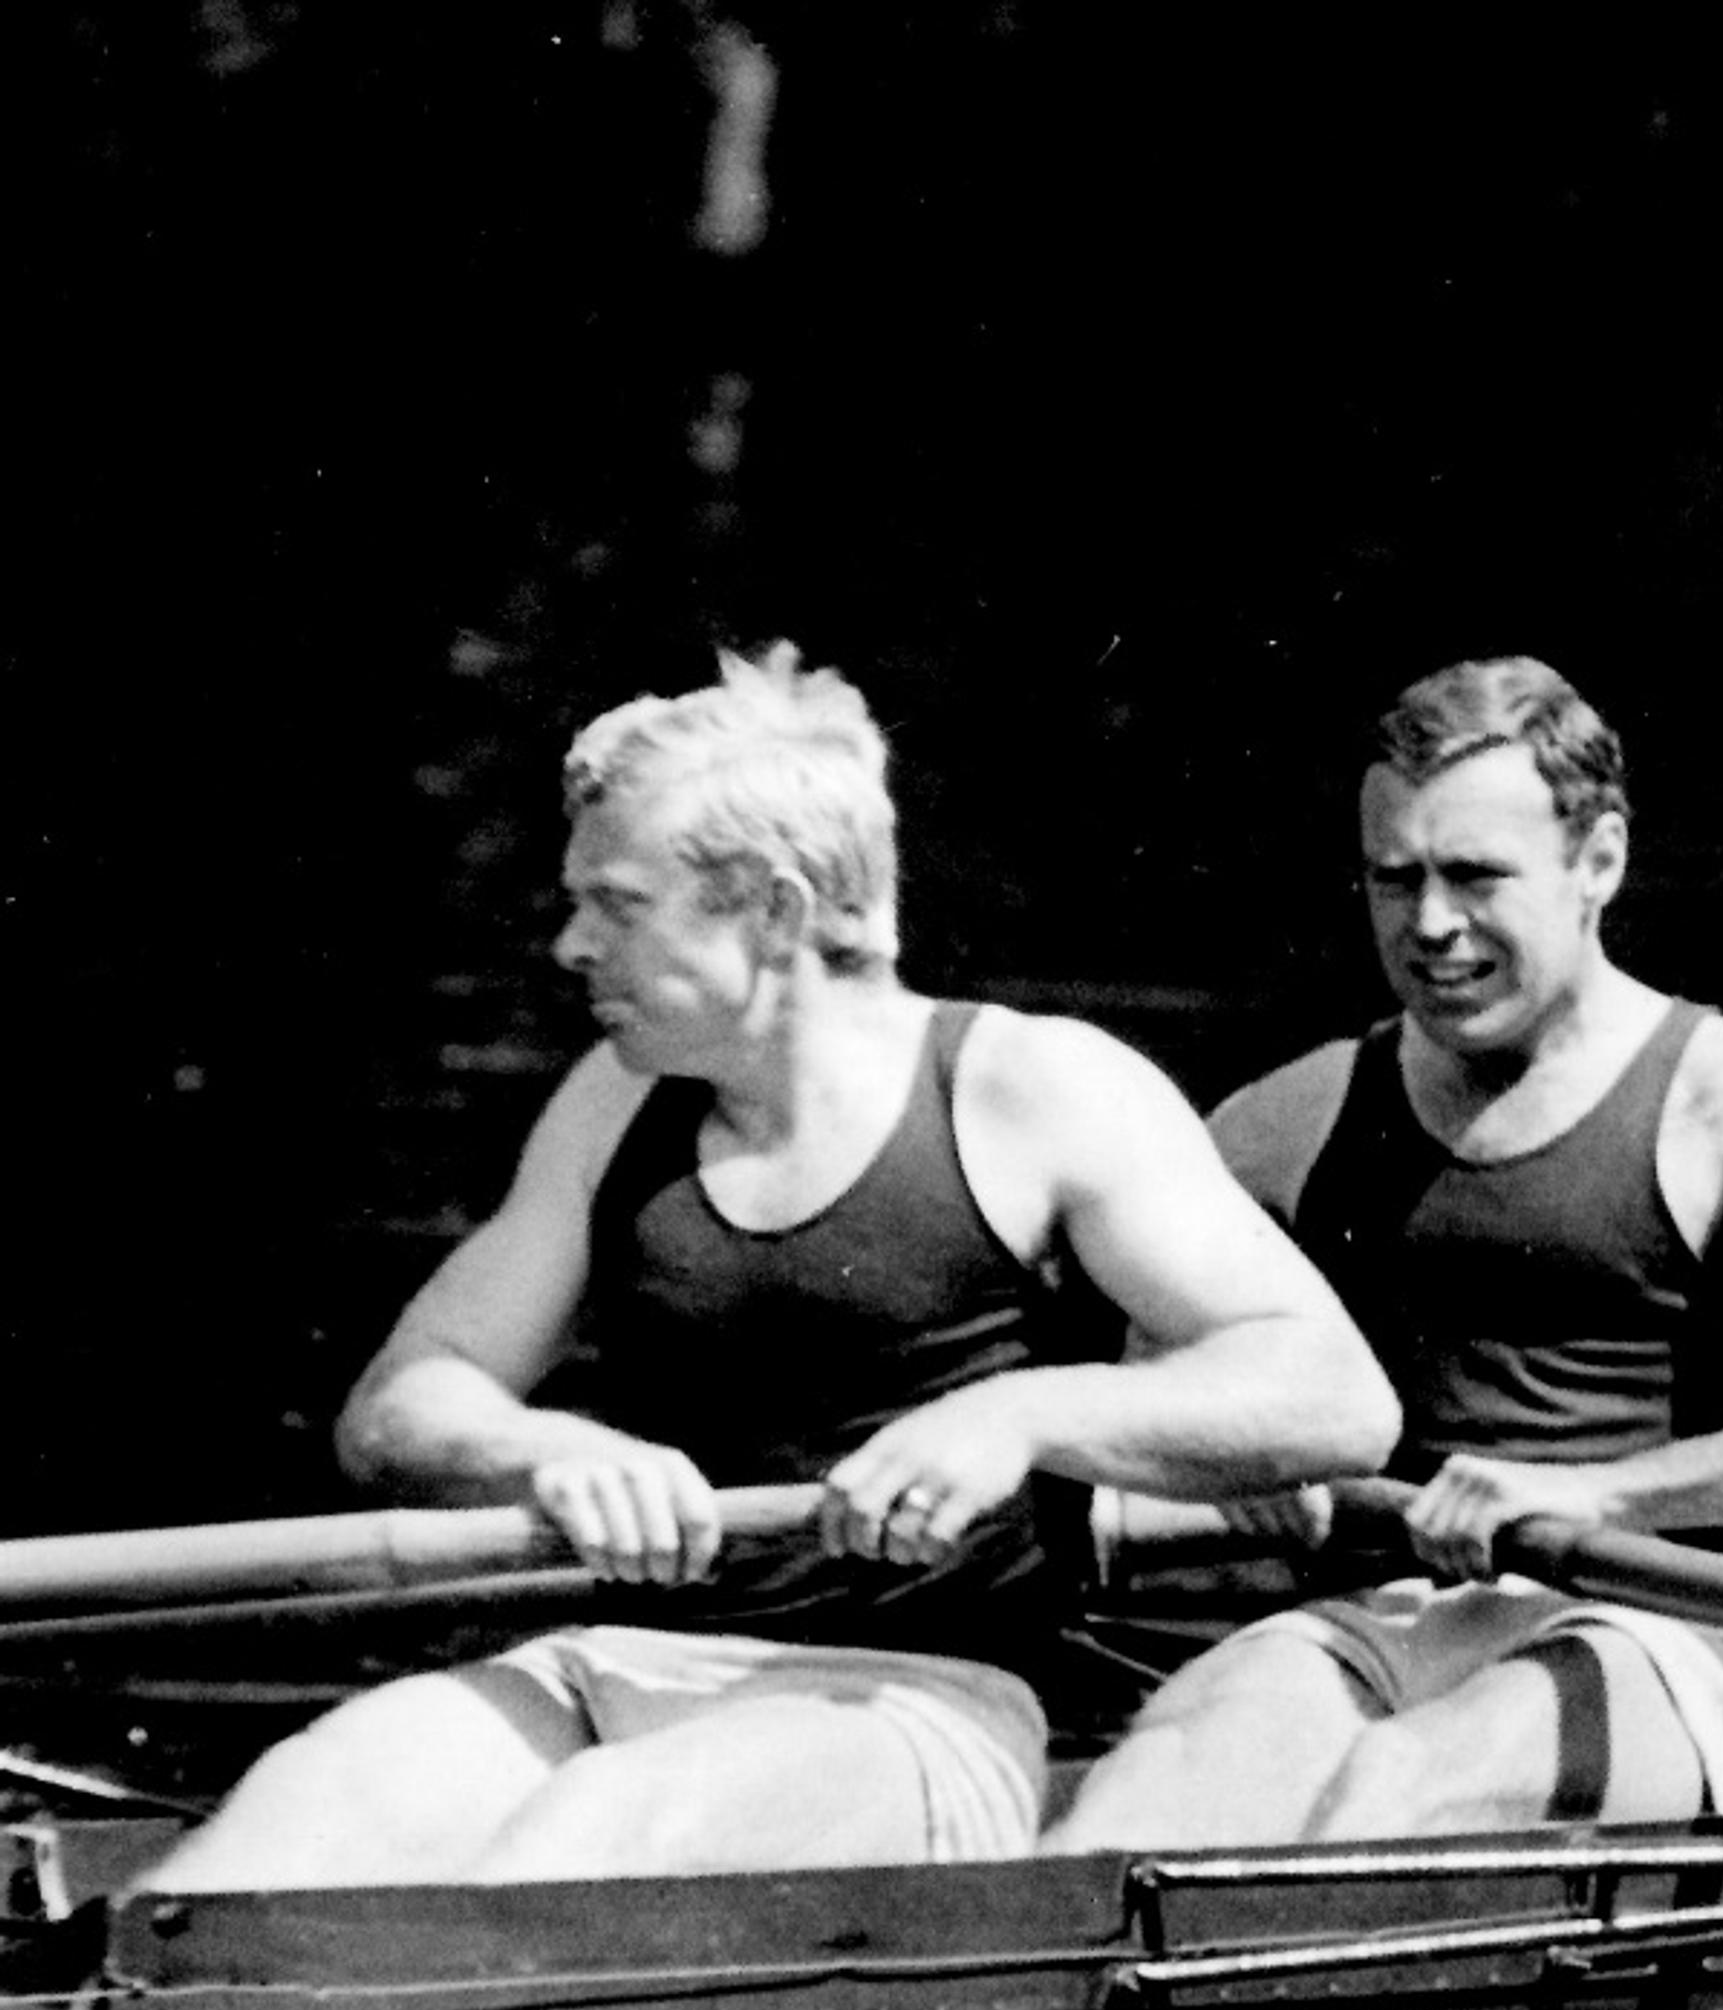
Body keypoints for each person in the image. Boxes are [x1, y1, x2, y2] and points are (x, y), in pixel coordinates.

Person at [142, 646, 1401, 1891]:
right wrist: (552, 1451)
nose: (571, 946)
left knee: (587, 1842)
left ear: (779, 912)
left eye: (618, 905)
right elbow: (407, 1399)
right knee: (268, 1841)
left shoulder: (1030, 1088)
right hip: (615, 1665)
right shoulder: (616, 1101)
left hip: (919, 1702)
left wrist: (1025, 1414)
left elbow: (1335, 1396)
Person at [1047, 656, 1723, 1848]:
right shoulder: (1288, 1121)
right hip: (1374, 1623)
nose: (1431, 925)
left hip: (1650, 1634)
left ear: (1599, 861)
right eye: (1396, 880)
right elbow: (1146, 1397)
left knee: (1396, 1796)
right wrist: (1224, 1448)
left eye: (1476, 877)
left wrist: (1596, 1491)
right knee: (1122, 1821)